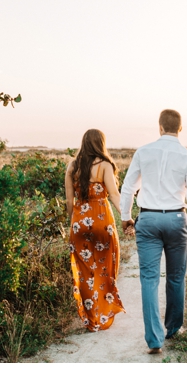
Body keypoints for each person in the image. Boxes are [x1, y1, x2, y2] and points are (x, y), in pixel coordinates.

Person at [119, 109, 187, 355]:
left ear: (159, 127)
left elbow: (128, 188)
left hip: (147, 219)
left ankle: (154, 339)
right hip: (177, 219)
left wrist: (126, 217)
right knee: (176, 276)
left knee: (148, 278)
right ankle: (172, 328)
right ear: (180, 129)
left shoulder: (143, 152)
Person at [65, 129, 126, 332]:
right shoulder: (105, 165)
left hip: (79, 223)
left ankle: (91, 319)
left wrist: (72, 222)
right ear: (101, 143)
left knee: (84, 273)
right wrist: (127, 217)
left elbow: (68, 201)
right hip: (102, 222)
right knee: (106, 268)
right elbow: (115, 195)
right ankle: (103, 313)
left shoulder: (72, 167)